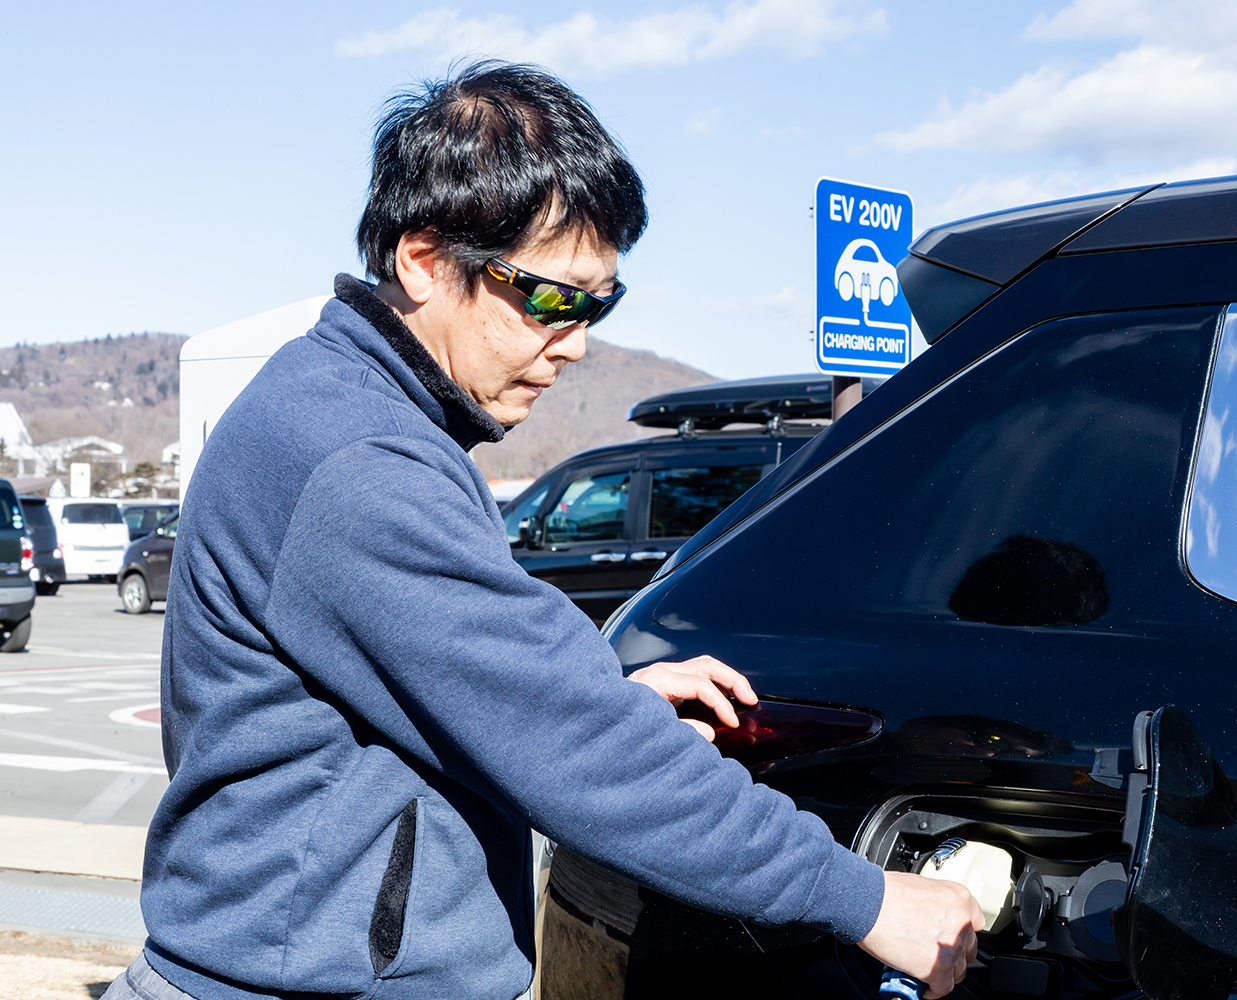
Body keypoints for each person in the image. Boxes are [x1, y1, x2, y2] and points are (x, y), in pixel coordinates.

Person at [103, 62, 981, 1000]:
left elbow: (450, 699)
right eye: (555, 297)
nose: (578, 340)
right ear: (424, 260)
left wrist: (609, 697)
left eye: (602, 302)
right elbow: (578, 755)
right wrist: (866, 900)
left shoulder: (360, 415)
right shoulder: (359, 463)